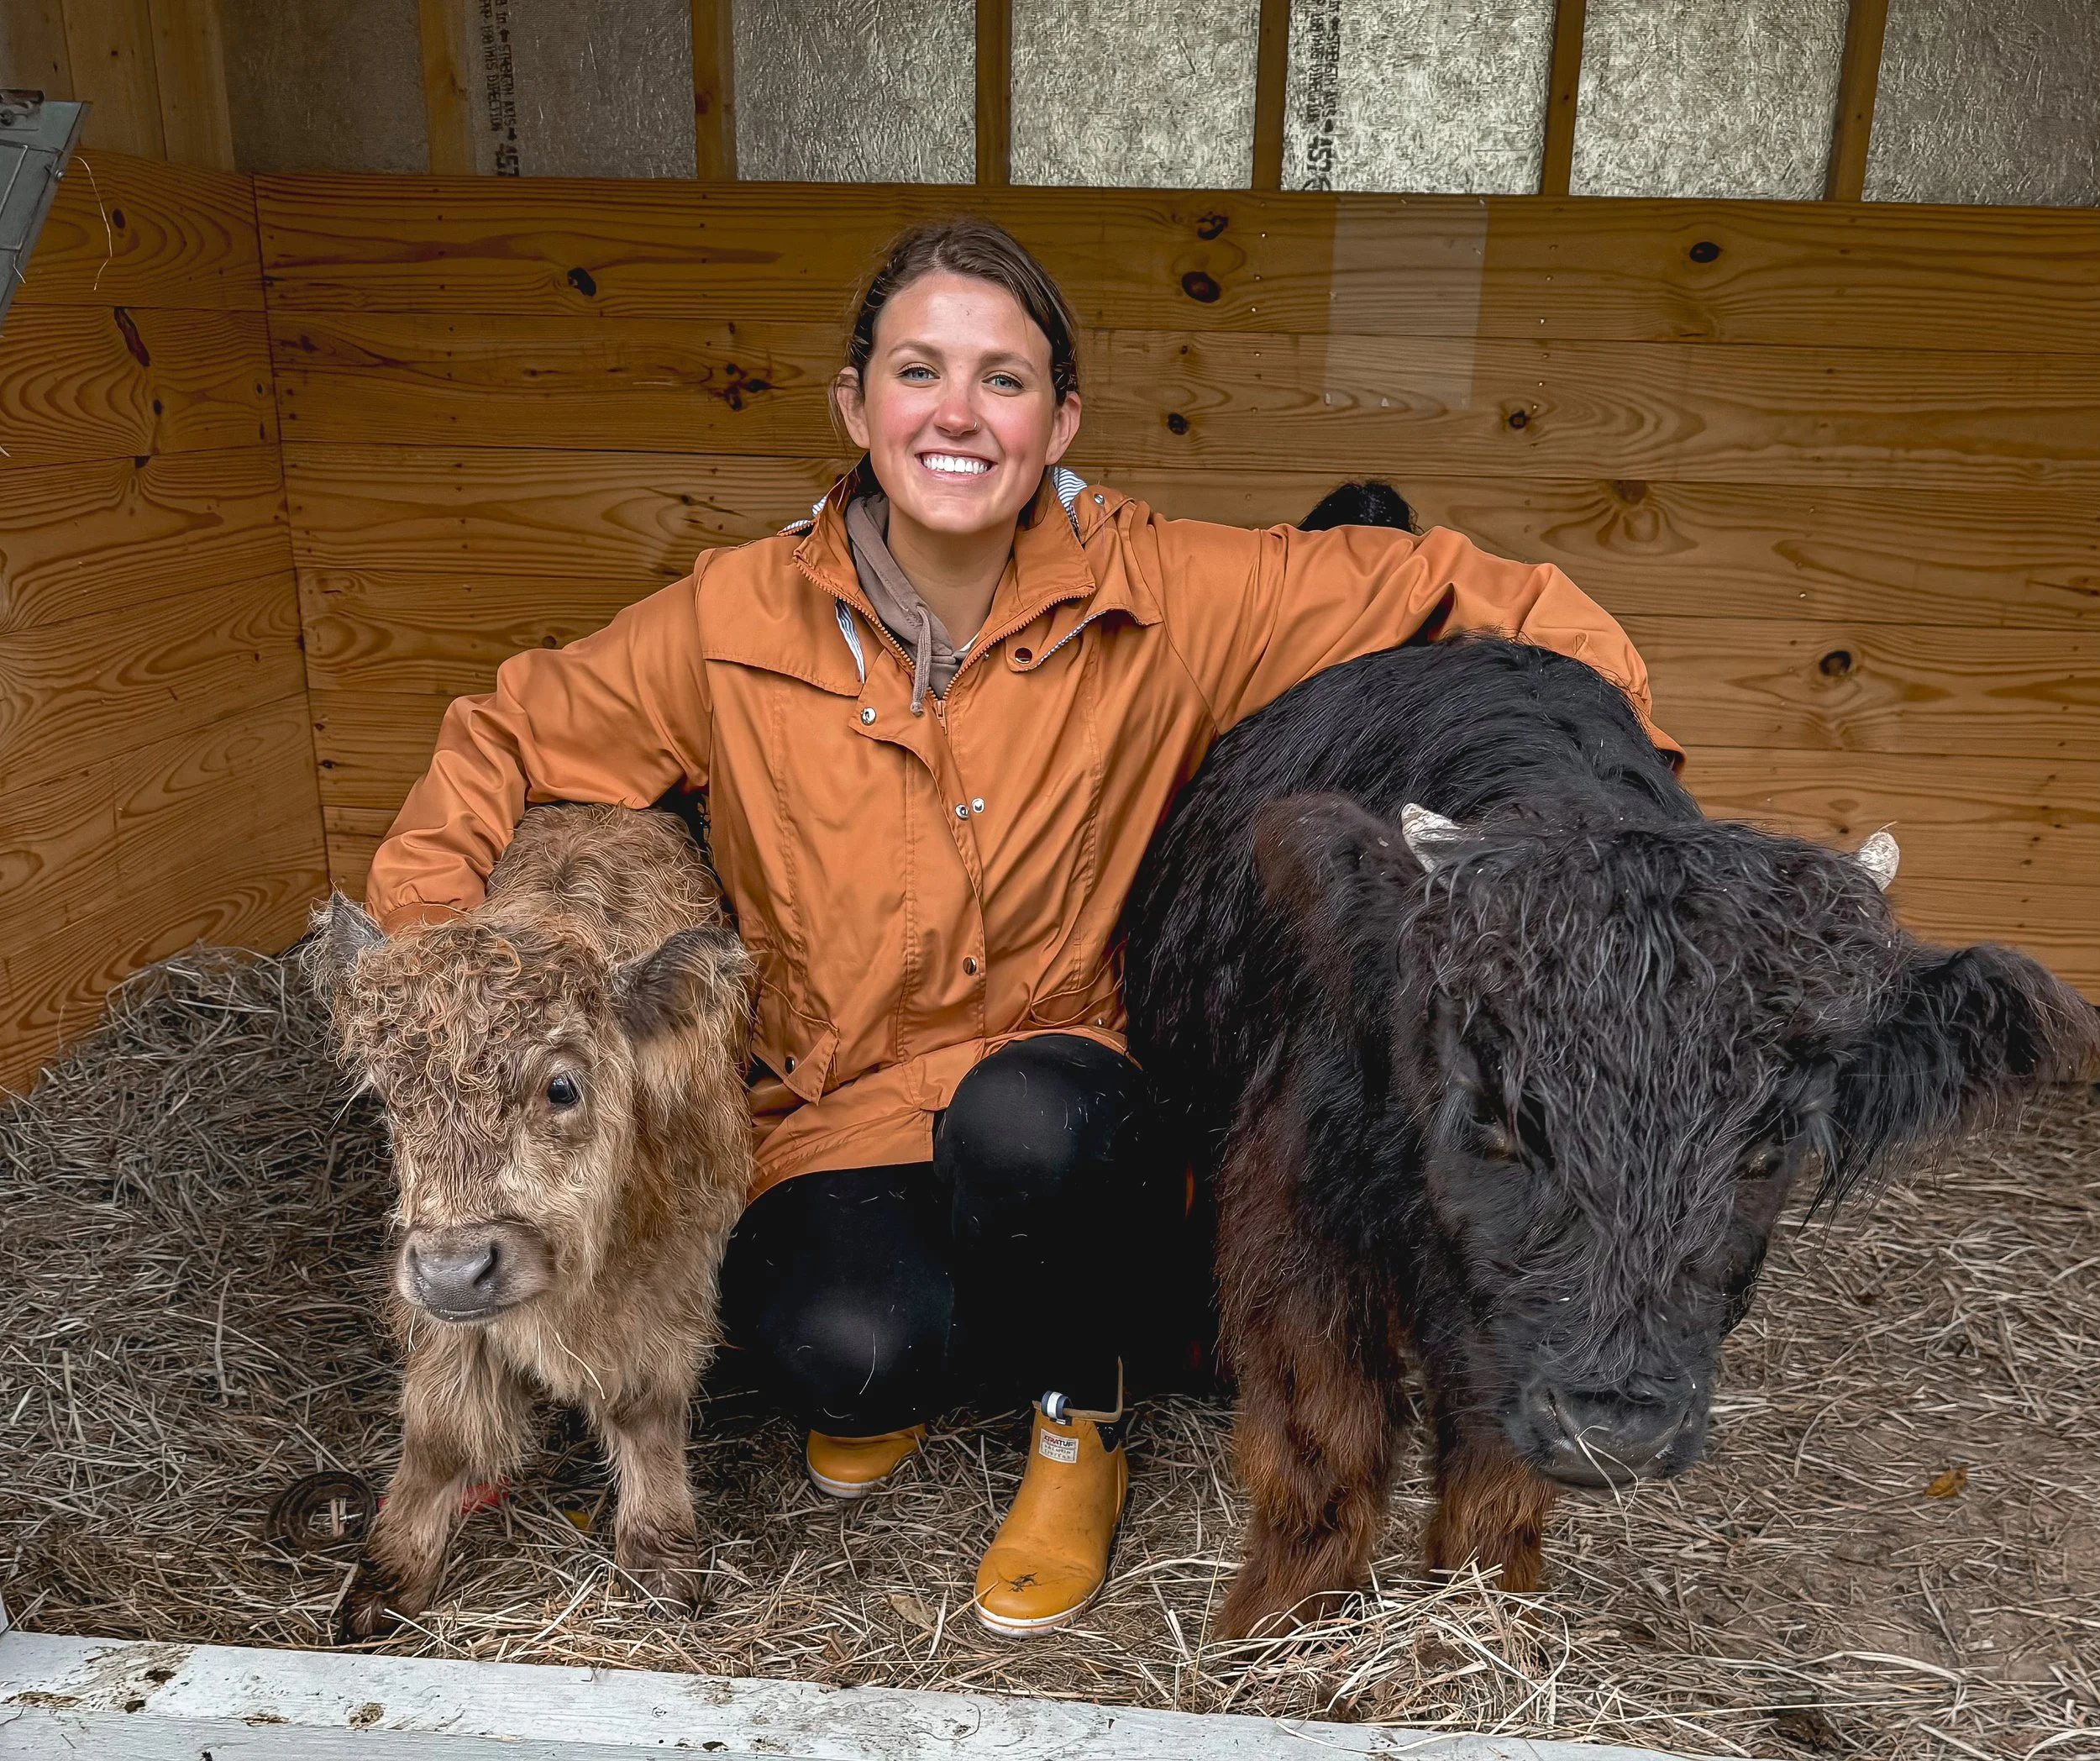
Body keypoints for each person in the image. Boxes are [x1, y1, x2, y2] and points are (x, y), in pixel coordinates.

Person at [363, 218, 1677, 1636]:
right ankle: (1101, 1315)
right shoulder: (729, 620)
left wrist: (1619, 788)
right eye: (919, 370)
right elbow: (511, 729)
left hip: (1073, 1084)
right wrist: (439, 978)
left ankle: (1079, 1419)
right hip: (845, 1092)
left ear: (1059, 422)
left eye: (1005, 380)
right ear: (855, 405)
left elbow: (1460, 585)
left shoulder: (1162, 589)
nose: (959, 412)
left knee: (1028, 1126)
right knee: (839, 1354)